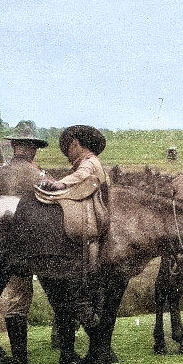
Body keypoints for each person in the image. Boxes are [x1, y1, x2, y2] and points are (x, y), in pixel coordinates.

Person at [0, 120, 55, 364]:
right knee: (19, 293)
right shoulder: (40, 176)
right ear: (33, 148)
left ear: (13, 146)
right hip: (25, 243)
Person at [39, 125, 109, 327]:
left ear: (77, 145)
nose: (67, 154)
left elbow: (82, 176)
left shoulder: (89, 163)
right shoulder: (89, 163)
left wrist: (61, 184)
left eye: (68, 148)